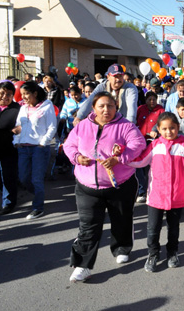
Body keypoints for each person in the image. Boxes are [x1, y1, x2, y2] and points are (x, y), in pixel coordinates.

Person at [63, 92, 146, 282]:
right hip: (87, 186)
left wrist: (119, 159)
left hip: (120, 185)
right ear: (94, 108)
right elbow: (69, 146)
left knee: (122, 219)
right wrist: (77, 158)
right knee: (88, 226)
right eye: (101, 106)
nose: (106, 110)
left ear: (116, 107)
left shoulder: (125, 126)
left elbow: (138, 143)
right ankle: (82, 265)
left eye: (110, 106)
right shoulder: (82, 126)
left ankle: (122, 248)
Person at [128, 112, 184, 272]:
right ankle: (153, 254)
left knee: (173, 228)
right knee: (152, 228)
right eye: (165, 129)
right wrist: (122, 157)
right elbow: (140, 161)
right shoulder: (155, 145)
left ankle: (172, 253)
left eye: (172, 128)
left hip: (177, 196)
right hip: (156, 196)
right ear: (159, 130)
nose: (169, 132)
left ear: (178, 127)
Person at [12, 81, 57, 219]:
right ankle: (39, 194)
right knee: (23, 178)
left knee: (36, 179)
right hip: (23, 148)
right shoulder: (23, 108)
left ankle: (38, 207)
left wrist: (43, 143)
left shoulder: (46, 106)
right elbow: (18, 126)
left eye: (26, 94)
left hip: (39, 148)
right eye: (22, 94)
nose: (24, 97)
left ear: (35, 93)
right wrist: (16, 141)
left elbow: (52, 127)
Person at [0, 81, 21, 214]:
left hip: (8, 149)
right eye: (2, 93)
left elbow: (25, 122)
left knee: (7, 176)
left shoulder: (17, 109)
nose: (5, 96)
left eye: (9, 94)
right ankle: (10, 193)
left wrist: (19, 128)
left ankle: (9, 203)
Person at [135, 91, 164, 203]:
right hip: (141, 141)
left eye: (154, 99)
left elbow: (163, 122)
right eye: (149, 99)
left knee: (154, 167)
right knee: (139, 166)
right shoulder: (140, 109)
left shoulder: (160, 110)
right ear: (146, 100)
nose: (152, 102)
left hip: (155, 142)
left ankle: (156, 190)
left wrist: (155, 130)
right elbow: (135, 122)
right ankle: (142, 190)